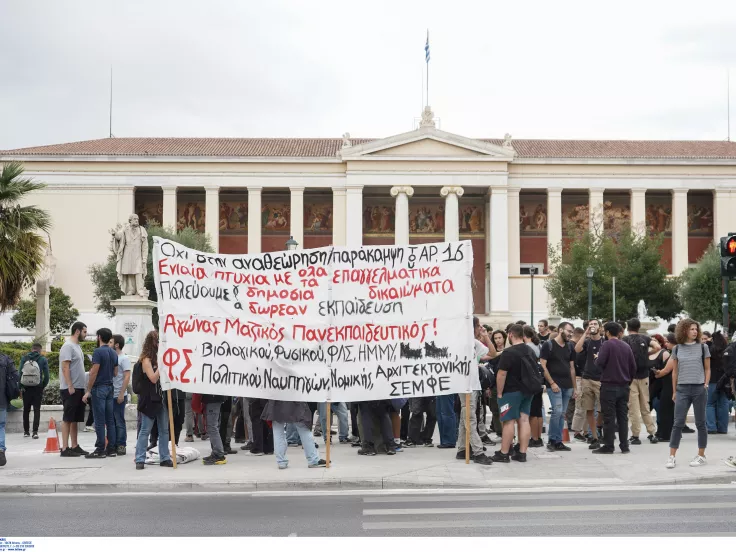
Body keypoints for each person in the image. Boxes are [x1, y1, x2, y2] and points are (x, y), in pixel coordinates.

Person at [665, 319, 710, 469]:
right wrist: (674, 391)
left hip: (699, 389)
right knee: (677, 423)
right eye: (691, 329)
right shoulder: (677, 349)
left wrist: (705, 384)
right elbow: (675, 372)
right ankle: (672, 456)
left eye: (696, 329)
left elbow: (707, 369)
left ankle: (701, 455)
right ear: (684, 331)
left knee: (700, 423)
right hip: (682, 389)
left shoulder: (703, 347)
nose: (695, 331)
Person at [492, 324, 535, 463]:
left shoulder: (509, 352)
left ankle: (504, 453)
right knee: (524, 419)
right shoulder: (530, 350)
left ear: (510, 335)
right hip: (527, 390)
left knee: (508, 421)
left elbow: (502, 374)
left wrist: (499, 392)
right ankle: (522, 453)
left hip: (511, 391)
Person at [455, 318, 495, 465]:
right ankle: (478, 452)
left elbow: (492, 353)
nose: (481, 327)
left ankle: (462, 449)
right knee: (470, 418)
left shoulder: (474, 343)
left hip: (473, 385)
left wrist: (485, 337)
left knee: (464, 417)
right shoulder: (460, 342)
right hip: (465, 385)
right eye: (478, 326)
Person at [592, 322, 637, 454]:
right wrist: (627, 382)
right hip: (624, 387)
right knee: (623, 417)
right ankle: (624, 445)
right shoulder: (626, 346)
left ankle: (609, 445)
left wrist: (597, 359)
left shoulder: (606, 345)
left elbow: (599, 363)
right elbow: (633, 367)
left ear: (607, 332)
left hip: (609, 386)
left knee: (609, 417)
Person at [134, 330, 173, 469]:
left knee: (164, 430)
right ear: (153, 343)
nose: (160, 344)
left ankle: (165, 458)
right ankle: (139, 458)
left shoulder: (157, 358)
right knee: (145, 430)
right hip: (149, 400)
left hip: (160, 398)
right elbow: (153, 378)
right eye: (158, 342)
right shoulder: (146, 360)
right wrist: (162, 365)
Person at [82, 328, 118, 459]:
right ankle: (111, 448)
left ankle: (100, 448)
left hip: (99, 387)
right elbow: (115, 372)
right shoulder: (113, 352)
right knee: (110, 420)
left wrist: (88, 390)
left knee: (99, 420)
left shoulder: (97, 352)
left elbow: (94, 372)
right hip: (110, 387)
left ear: (99, 337)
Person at [540, 321, 576, 452]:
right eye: (568, 331)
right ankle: (552, 440)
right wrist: (552, 383)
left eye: (572, 332)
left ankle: (558, 441)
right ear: (561, 330)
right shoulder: (548, 345)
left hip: (568, 385)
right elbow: (542, 365)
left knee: (562, 414)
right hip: (554, 385)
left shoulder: (570, 346)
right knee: (557, 412)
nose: (570, 334)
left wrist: (575, 387)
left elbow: (572, 368)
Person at [263, 400, 326, 469]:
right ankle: (313, 460)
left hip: (276, 400)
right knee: (303, 428)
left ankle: (281, 462)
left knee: (278, 431)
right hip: (294, 400)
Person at [59, 322, 89, 457]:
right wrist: (70, 385)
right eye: (84, 332)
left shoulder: (77, 346)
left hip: (79, 388)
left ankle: (74, 445)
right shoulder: (68, 346)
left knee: (75, 418)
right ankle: (65, 448)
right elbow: (65, 367)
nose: (86, 335)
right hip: (70, 388)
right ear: (77, 331)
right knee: (68, 418)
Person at [574, 320, 605, 449]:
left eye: (595, 324)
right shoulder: (587, 342)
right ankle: (594, 437)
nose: (592, 327)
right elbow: (577, 349)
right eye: (590, 325)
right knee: (589, 408)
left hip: (601, 379)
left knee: (603, 409)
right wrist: (585, 333)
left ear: (600, 327)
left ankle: (599, 429)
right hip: (587, 378)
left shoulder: (604, 342)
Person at [19, 342, 50, 439]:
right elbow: (47, 376)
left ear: (32, 349)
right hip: (37, 388)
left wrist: (21, 386)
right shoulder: (42, 359)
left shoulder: (24, 358)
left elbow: (20, 373)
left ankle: (26, 431)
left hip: (26, 388)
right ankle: (35, 432)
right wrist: (42, 385)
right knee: (37, 410)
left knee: (26, 410)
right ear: (40, 350)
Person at [523, 325, 544, 447]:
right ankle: (539, 437)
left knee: (533, 412)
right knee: (539, 411)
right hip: (539, 380)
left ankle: (534, 438)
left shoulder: (527, 347)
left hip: (532, 380)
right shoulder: (538, 345)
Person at [110, 334, 132, 455]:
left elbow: (127, 376)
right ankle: (113, 444)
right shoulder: (112, 357)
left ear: (117, 345)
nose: (109, 344)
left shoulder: (124, 358)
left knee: (119, 420)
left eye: (111, 342)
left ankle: (121, 444)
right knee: (111, 421)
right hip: (110, 394)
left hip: (119, 394)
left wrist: (121, 393)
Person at [651, 334, 675, 441]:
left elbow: (667, 370)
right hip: (668, 384)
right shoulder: (674, 353)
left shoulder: (674, 354)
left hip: (669, 385)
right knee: (666, 409)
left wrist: (657, 374)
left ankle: (666, 434)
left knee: (666, 410)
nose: (666, 344)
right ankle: (664, 432)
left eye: (668, 342)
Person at [706, 331, 729, 434]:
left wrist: (709, 342)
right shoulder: (727, 349)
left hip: (712, 380)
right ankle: (723, 428)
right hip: (724, 380)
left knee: (709, 403)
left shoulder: (710, 350)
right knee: (723, 403)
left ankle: (711, 428)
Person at [0, 352, 19, 467]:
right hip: (1, 400)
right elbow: (16, 377)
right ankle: (1, 450)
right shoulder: (5, 359)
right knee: (1, 425)